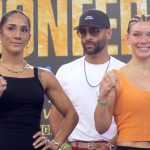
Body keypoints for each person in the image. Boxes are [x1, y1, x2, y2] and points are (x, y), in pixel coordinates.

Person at [0, 9, 78, 150]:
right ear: (1, 34)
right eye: (11, 28)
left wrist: (56, 143)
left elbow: (72, 114)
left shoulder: (43, 76)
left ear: (29, 37)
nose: (18, 35)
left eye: (24, 30)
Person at [49, 9, 125, 150]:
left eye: (94, 30)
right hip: (74, 146)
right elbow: (55, 115)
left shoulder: (123, 71)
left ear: (109, 33)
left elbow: (129, 120)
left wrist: (110, 145)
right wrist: (63, 145)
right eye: (82, 32)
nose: (88, 36)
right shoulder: (66, 71)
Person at [94, 14, 150, 150]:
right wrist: (102, 97)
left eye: (149, 34)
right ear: (127, 39)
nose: (144, 40)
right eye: (137, 35)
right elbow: (101, 127)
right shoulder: (115, 77)